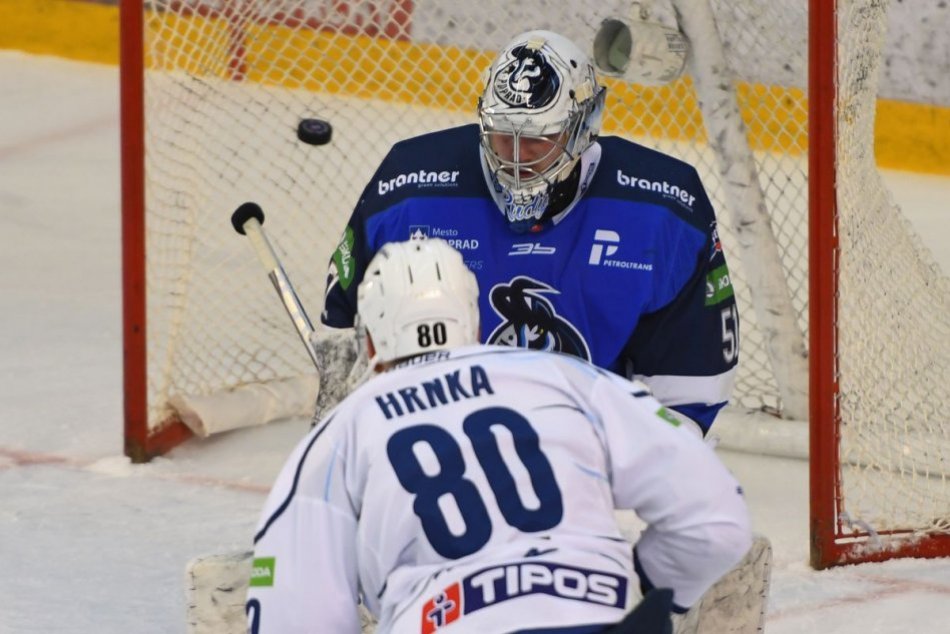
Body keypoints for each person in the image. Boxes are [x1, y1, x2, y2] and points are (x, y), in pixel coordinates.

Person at [248, 239, 751, 633]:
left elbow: (294, 618)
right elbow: (716, 525)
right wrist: (638, 583)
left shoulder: (341, 434)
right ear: (472, 320)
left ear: (371, 341)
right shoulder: (569, 378)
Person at [318, 29, 739, 437]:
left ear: (585, 123)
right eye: (503, 137)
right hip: (438, 437)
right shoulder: (408, 188)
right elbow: (346, 326)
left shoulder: (665, 210)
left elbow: (688, 386)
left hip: (594, 446)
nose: (516, 158)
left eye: (539, 141)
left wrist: (645, 461)